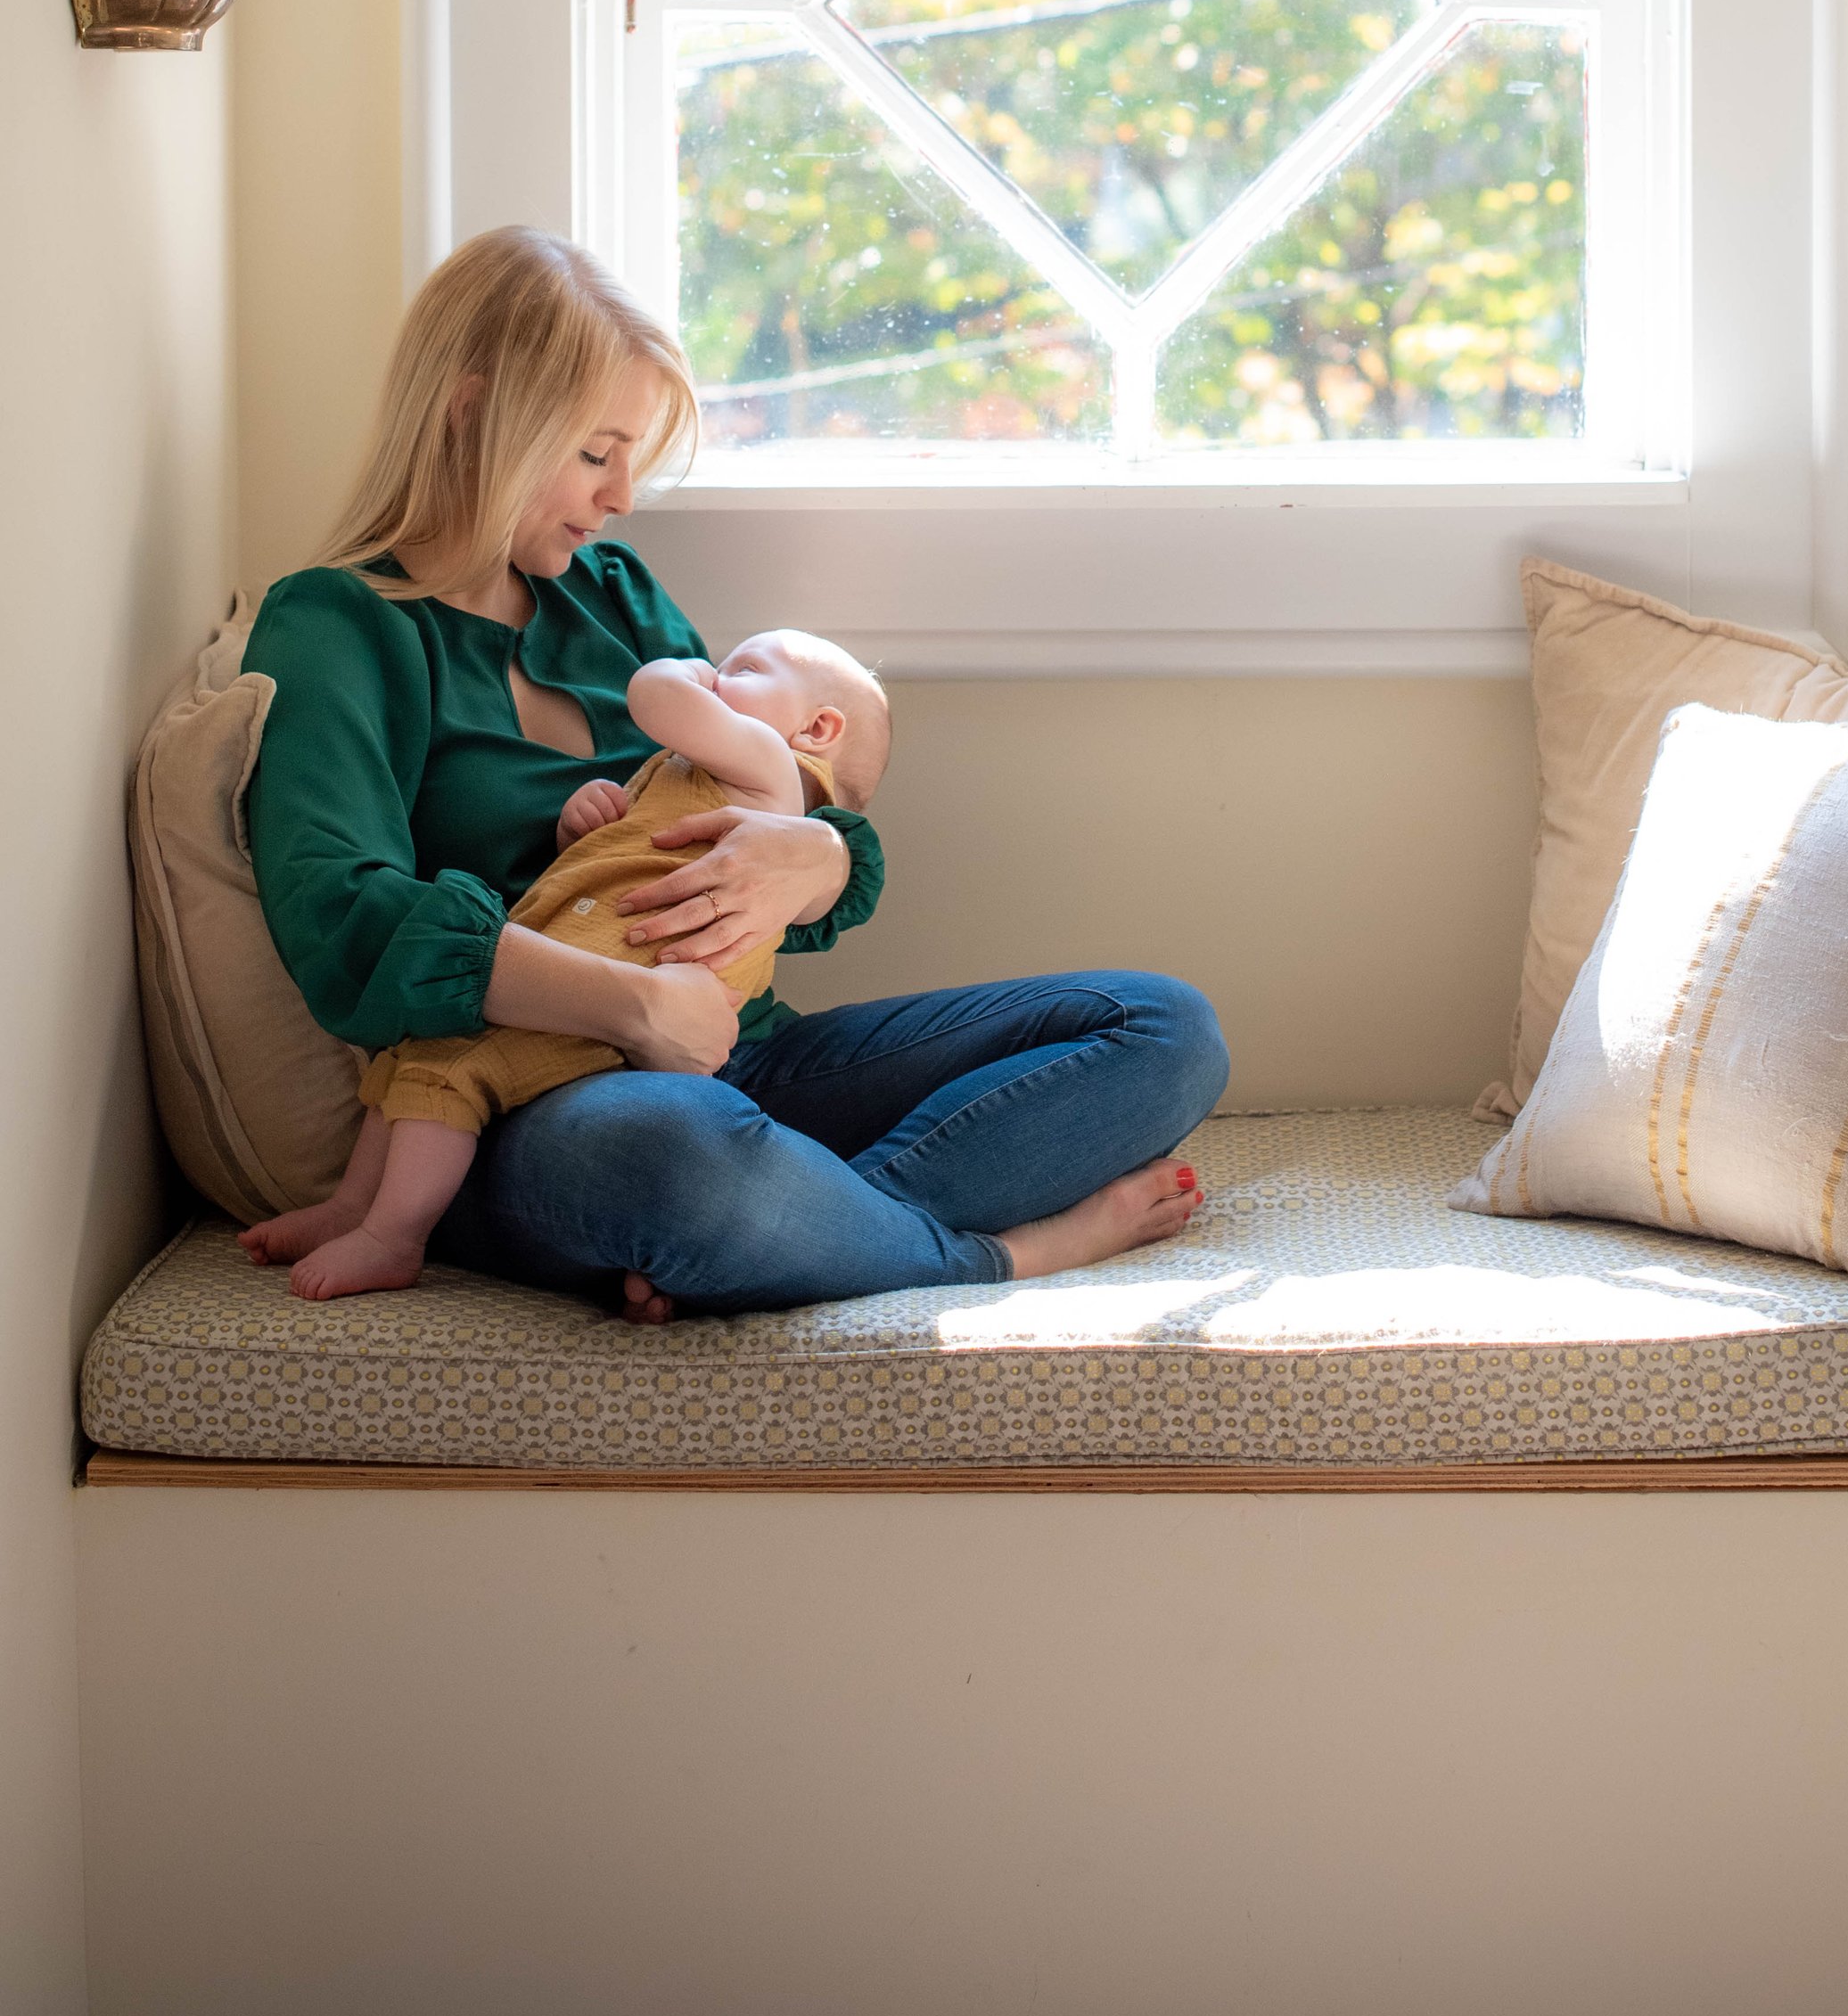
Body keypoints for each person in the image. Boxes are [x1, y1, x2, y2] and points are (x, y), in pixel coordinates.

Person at [242, 226, 1228, 1321]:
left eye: (630, 459)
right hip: (509, 1103)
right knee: (673, 1153)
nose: (619, 496)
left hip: (740, 1058)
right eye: (593, 452)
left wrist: (811, 858)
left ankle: (787, 1232)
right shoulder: (337, 625)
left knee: (1164, 1029)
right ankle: (999, 1256)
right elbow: (339, 913)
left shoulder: (610, 592)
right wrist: (631, 1003)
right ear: (476, 413)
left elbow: (779, 786)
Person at [242, 627, 893, 1299]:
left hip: (634, 989)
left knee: (453, 1071)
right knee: (413, 1049)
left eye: (745, 667)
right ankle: (353, 1208)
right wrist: (588, 824)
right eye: (720, 666)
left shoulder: (766, 761)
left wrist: (685, 671)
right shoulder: (706, 771)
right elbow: (626, 858)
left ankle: (393, 1237)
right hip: (601, 963)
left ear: (816, 729)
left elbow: (655, 697)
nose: (718, 672)